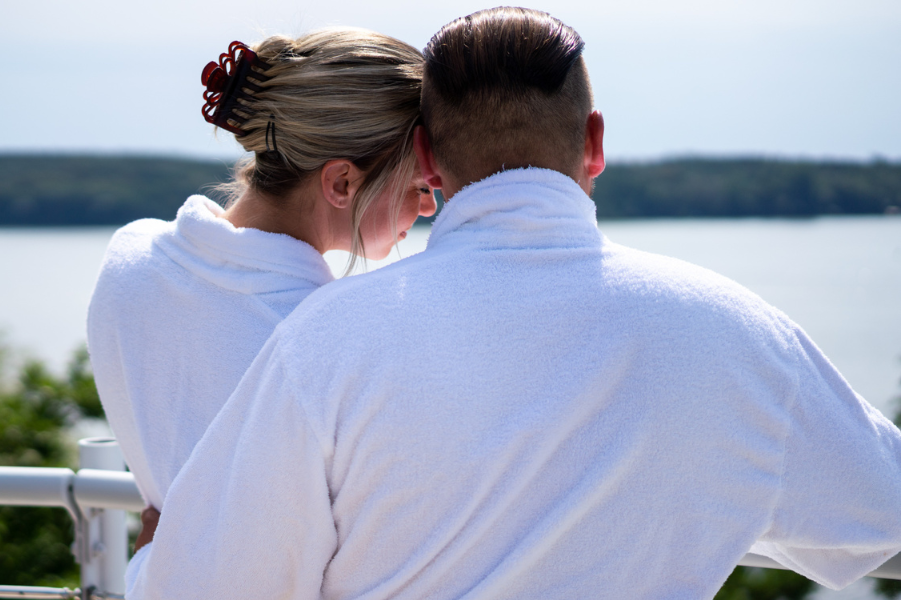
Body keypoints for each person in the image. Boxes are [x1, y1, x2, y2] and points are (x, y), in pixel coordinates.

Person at [125, 7, 901, 600]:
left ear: (426, 156)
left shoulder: (323, 343)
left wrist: (156, 556)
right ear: (594, 143)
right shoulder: (738, 334)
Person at [85, 28, 435, 546]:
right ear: (342, 183)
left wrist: (163, 560)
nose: (429, 208)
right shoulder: (329, 339)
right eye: (420, 186)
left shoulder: (130, 258)